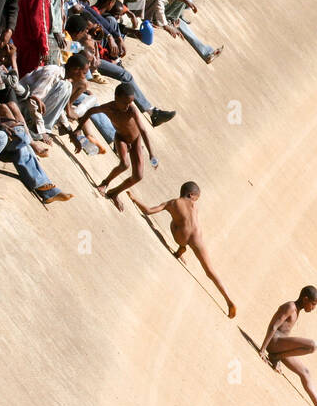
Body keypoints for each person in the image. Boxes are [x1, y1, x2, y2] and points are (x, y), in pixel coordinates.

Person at [129, 181, 236, 318]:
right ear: (192, 195)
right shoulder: (194, 207)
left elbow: (148, 211)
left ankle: (181, 247)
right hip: (197, 239)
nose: (196, 201)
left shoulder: (172, 203)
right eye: (197, 198)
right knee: (210, 271)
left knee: (174, 223)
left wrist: (134, 199)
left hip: (181, 237)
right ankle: (228, 300)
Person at [258, 285, 317, 406]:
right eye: (313, 304)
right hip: (274, 343)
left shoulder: (297, 311)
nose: (313, 309)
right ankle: (276, 356)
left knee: (305, 372)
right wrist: (262, 349)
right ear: (305, 299)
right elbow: (274, 326)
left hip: (280, 347)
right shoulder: (290, 307)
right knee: (312, 345)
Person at [75, 82, 156, 211]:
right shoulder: (108, 108)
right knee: (124, 164)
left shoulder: (132, 110)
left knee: (138, 176)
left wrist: (151, 154)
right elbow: (90, 111)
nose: (128, 106)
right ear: (116, 98)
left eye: (131, 102)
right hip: (121, 138)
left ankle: (114, 193)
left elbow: (143, 130)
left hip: (136, 140)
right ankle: (105, 183)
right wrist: (78, 129)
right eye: (125, 102)